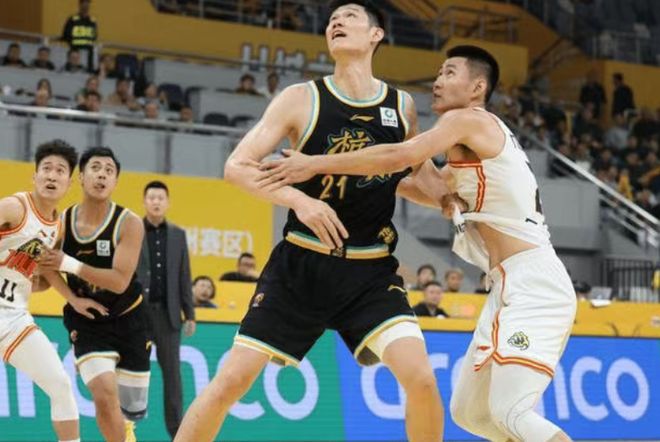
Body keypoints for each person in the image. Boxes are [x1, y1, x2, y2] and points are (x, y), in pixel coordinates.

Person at [258, 44, 576, 442]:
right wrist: (330, 178)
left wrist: (314, 163)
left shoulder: (468, 119)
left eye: (449, 73)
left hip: (535, 283)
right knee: (470, 413)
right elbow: (419, 185)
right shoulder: (474, 145)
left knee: (511, 412)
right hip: (506, 284)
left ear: (477, 88)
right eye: (438, 73)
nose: (437, 81)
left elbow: (401, 156)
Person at [174, 2, 444, 441]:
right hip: (302, 263)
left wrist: (463, 199)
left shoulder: (402, 106)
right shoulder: (301, 98)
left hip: (371, 271)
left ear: (376, 34)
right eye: (332, 19)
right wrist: (300, 201)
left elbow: (417, 179)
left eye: (350, 16)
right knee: (230, 382)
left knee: (423, 380)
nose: (337, 22)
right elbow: (237, 167)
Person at [39, 147, 149, 442]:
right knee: (104, 393)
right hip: (87, 321)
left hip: (130, 318)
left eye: (109, 171)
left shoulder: (129, 223)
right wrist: (72, 298)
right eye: (96, 168)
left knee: (131, 410)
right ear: (81, 177)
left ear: (115, 182)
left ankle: (126, 429)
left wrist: (69, 264)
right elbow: (46, 264)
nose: (102, 175)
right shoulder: (62, 221)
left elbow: (119, 282)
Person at [0, 140, 92, 442]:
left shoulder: (57, 227)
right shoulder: (14, 207)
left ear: (69, 183)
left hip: (13, 318)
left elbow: (40, 275)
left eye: (60, 171)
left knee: (60, 385)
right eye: (47, 169)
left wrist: (72, 298)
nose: (52, 175)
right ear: (35, 175)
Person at [136, 180, 195, 439]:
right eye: (151, 198)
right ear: (144, 201)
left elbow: (184, 275)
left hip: (168, 316)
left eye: (160, 198)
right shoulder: (131, 230)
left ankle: (177, 433)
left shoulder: (178, 235)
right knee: (132, 373)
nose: (156, 202)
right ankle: (126, 430)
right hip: (137, 315)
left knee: (173, 377)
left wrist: (189, 313)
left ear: (168, 202)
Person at [61, 0, 98, 71]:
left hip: (88, 51)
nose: (86, 6)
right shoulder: (73, 19)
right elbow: (65, 34)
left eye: (87, 4)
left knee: (88, 70)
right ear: (80, 5)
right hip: (74, 48)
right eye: (84, 4)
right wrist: (72, 43)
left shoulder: (92, 20)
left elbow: (95, 36)